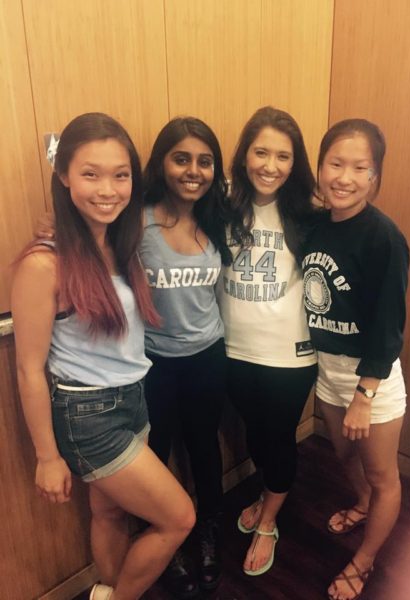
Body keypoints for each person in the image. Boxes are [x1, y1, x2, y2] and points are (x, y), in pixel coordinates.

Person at [11, 113, 195, 600]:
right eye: (91, 174)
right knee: (179, 518)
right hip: (87, 414)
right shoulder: (43, 263)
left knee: (110, 512)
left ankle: (107, 588)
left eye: (120, 174)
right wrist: (47, 456)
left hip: (133, 398)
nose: (108, 189)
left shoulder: (118, 241)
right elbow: (28, 369)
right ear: (64, 176)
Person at [302, 119, 409, 600]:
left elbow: (389, 329)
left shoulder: (384, 237)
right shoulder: (314, 225)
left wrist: (365, 395)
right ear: (320, 168)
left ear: (374, 176)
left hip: (373, 379)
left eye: (358, 167)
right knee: (344, 455)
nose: (344, 177)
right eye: (335, 163)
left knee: (384, 475)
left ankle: (364, 560)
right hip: (328, 370)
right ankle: (363, 505)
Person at [216, 106, 318, 576]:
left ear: (295, 163)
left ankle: (269, 522)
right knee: (256, 435)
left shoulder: (308, 214)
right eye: (261, 152)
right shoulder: (220, 206)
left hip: (290, 355)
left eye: (283, 155)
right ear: (245, 155)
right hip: (233, 349)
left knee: (277, 439)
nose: (270, 165)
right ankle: (268, 491)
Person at [140, 117, 231, 598]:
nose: (193, 171)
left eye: (204, 161)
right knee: (155, 456)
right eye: (182, 159)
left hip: (208, 357)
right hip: (155, 363)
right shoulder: (136, 221)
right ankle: (164, 540)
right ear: (161, 163)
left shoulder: (217, 219)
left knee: (203, 448)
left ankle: (209, 533)